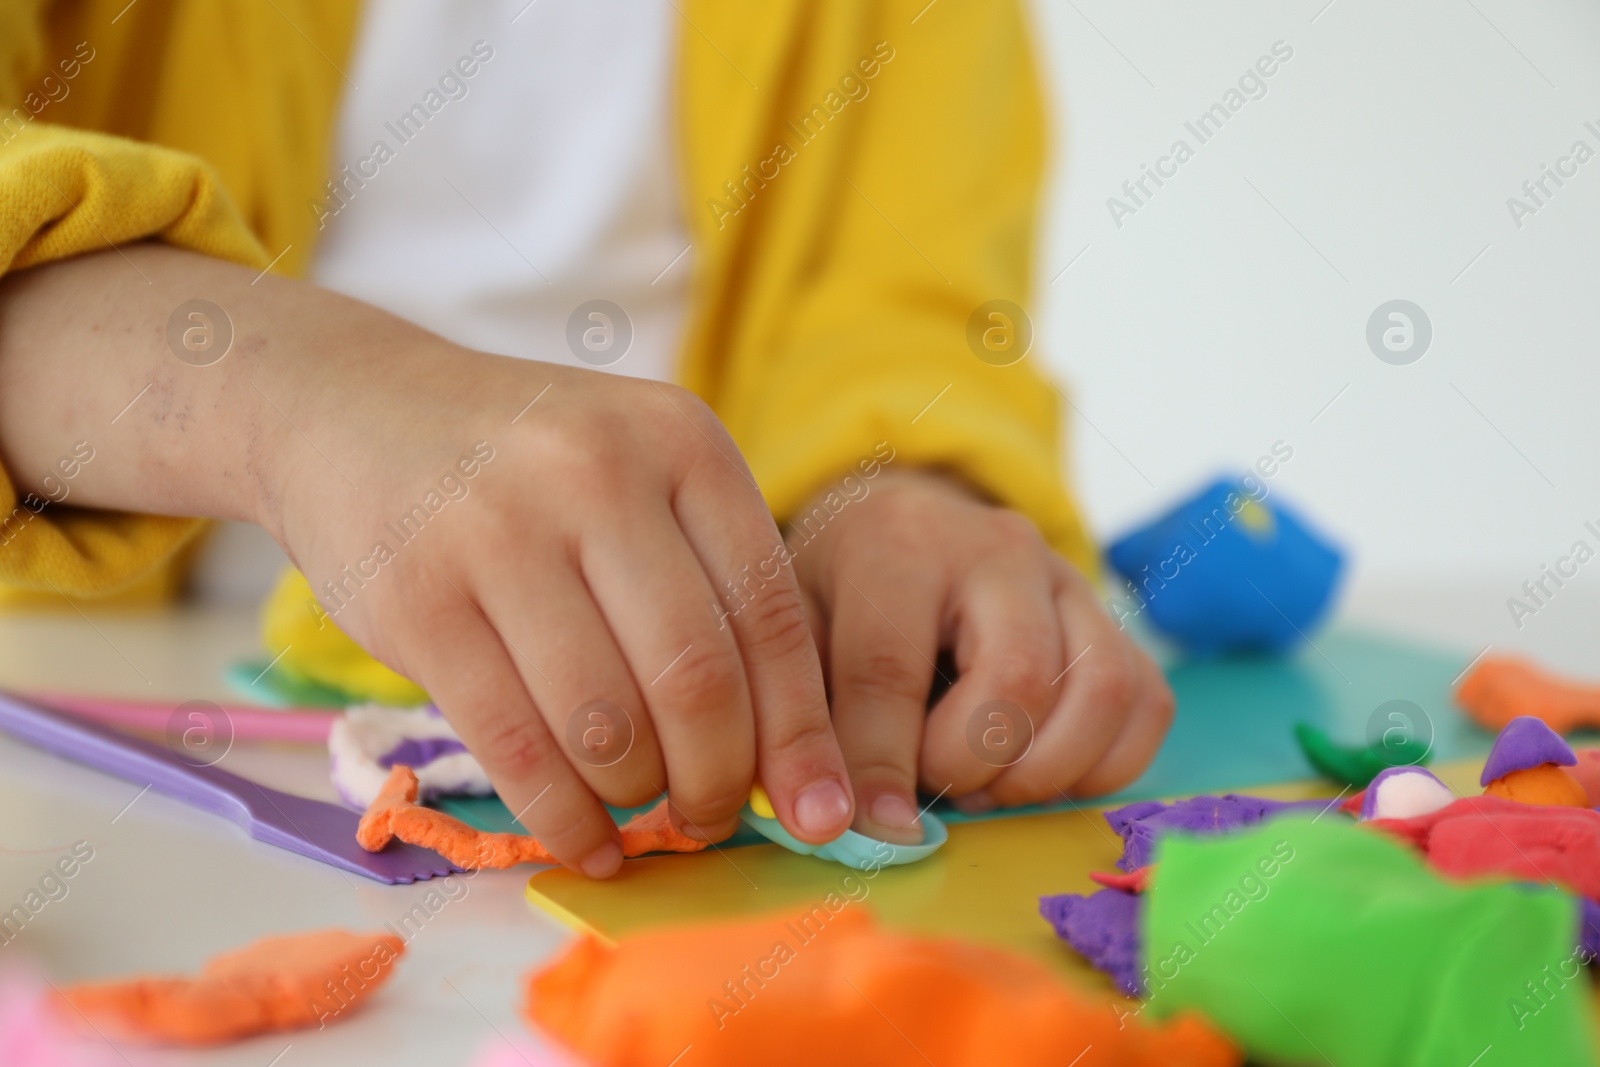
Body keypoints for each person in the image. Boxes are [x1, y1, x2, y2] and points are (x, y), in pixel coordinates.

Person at [0, 0, 1173, 878]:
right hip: (85, 736)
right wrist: (293, 399)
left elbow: (907, 310)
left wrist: (899, 486)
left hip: (702, 709)